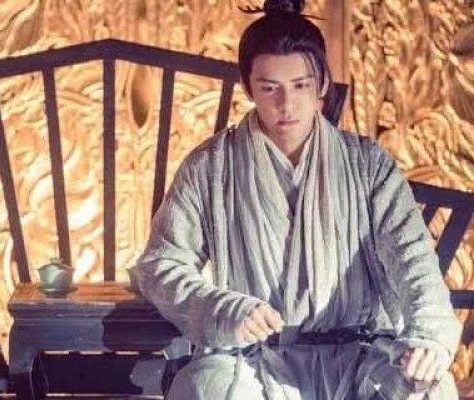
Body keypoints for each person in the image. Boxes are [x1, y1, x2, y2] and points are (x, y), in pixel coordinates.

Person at [129, 0, 461, 398]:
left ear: (322, 83)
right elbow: (160, 265)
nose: (286, 105)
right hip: (253, 363)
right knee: (206, 388)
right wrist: (222, 309)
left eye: (300, 85)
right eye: (270, 88)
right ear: (249, 86)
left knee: (428, 389)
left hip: (357, 357)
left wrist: (428, 336)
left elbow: (414, 262)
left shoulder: (367, 164)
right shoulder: (211, 165)